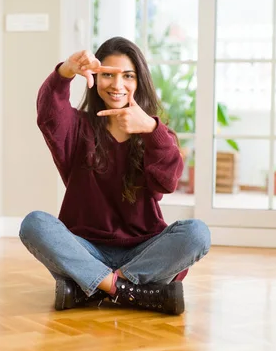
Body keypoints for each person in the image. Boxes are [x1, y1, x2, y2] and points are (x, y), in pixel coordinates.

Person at [19, 36, 211, 315]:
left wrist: (150, 129)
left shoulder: (155, 132)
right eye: (108, 75)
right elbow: (48, 112)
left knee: (197, 233)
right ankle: (131, 292)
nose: (117, 85)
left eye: (128, 76)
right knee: (34, 224)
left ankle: (92, 287)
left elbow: (167, 182)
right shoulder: (77, 126)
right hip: (86, 248)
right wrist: (66, 71)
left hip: (143, 250)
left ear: (139, 81)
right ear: (95, 79)